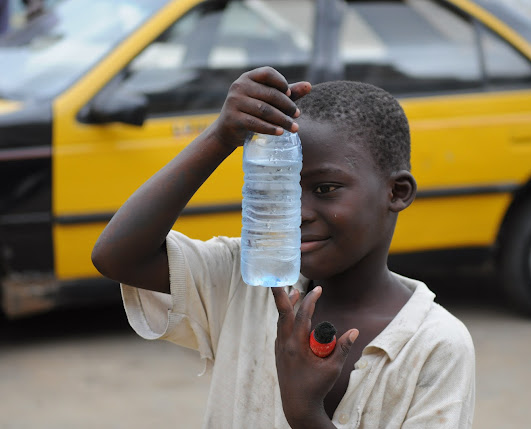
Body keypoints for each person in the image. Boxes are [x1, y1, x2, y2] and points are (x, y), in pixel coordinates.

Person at [92, 66, 475, 428]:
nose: (297, 212)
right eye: (283, 187)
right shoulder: (250, 281)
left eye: (325, 189)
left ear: (396, 192)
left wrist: (305, 414)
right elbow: (117, 257)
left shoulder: (435, 344)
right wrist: (220, 136)